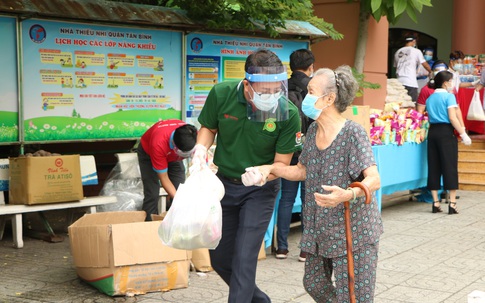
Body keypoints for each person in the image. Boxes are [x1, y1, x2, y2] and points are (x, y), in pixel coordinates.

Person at [250, 65, 383, 302]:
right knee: (313, 283)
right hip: (319, 229)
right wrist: (271, 168)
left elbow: (374, 179)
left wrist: (347, 195)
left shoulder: (353, 133)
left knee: (353, 297)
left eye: (311, 91)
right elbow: (302, 171)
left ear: (329, 98)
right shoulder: (312, 131)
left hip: (352, 232)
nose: (305, 97)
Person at [190, 49, 301, 303]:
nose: (271, 97)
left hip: (260, 191)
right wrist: (200, 149)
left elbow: (281, 163)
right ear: (247, 85)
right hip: (224, 187)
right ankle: (261, 301)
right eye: (264, 91)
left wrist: (264, 173)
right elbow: (209, 126)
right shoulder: (222, 93)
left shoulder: (287, 113)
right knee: (219, 257)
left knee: (244, 258)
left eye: (276, 90)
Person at [276, 48, 314, 262]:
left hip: (288, 147)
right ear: (310, 67)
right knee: (308, 199)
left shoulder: (281, 87)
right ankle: (305, 250)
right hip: (309, 149)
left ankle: (281, 248)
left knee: (286, 198)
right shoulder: (313, 88)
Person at [425, 70, 472, 215]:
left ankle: (435, 203)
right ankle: (452, 204)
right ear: (445, 83)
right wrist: (463, 134)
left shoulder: (430, 98)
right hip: (446, 133)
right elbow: (452, 117)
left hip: (432, 133)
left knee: (433, 166)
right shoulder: (449, 96)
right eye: (451, 81)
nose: (452, 84)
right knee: (449, 166)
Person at [137, 119, 197, 221]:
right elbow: (164, 178)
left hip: (173, 155)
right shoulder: (158, 144)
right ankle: (148, 227)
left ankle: (176, 222)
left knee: (180, 189)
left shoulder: (191, 134)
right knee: (152, 193)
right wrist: (180, 200)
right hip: (149, 153)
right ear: (175, 146)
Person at [394, 33, 432, 102]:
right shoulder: (416, 51)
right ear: (414, 41)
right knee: (412, 105)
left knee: (400, 105)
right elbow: (425, 64)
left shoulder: (397, 52)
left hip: (399, 82)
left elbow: (396, 68)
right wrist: (431, 71)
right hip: (410, 82)